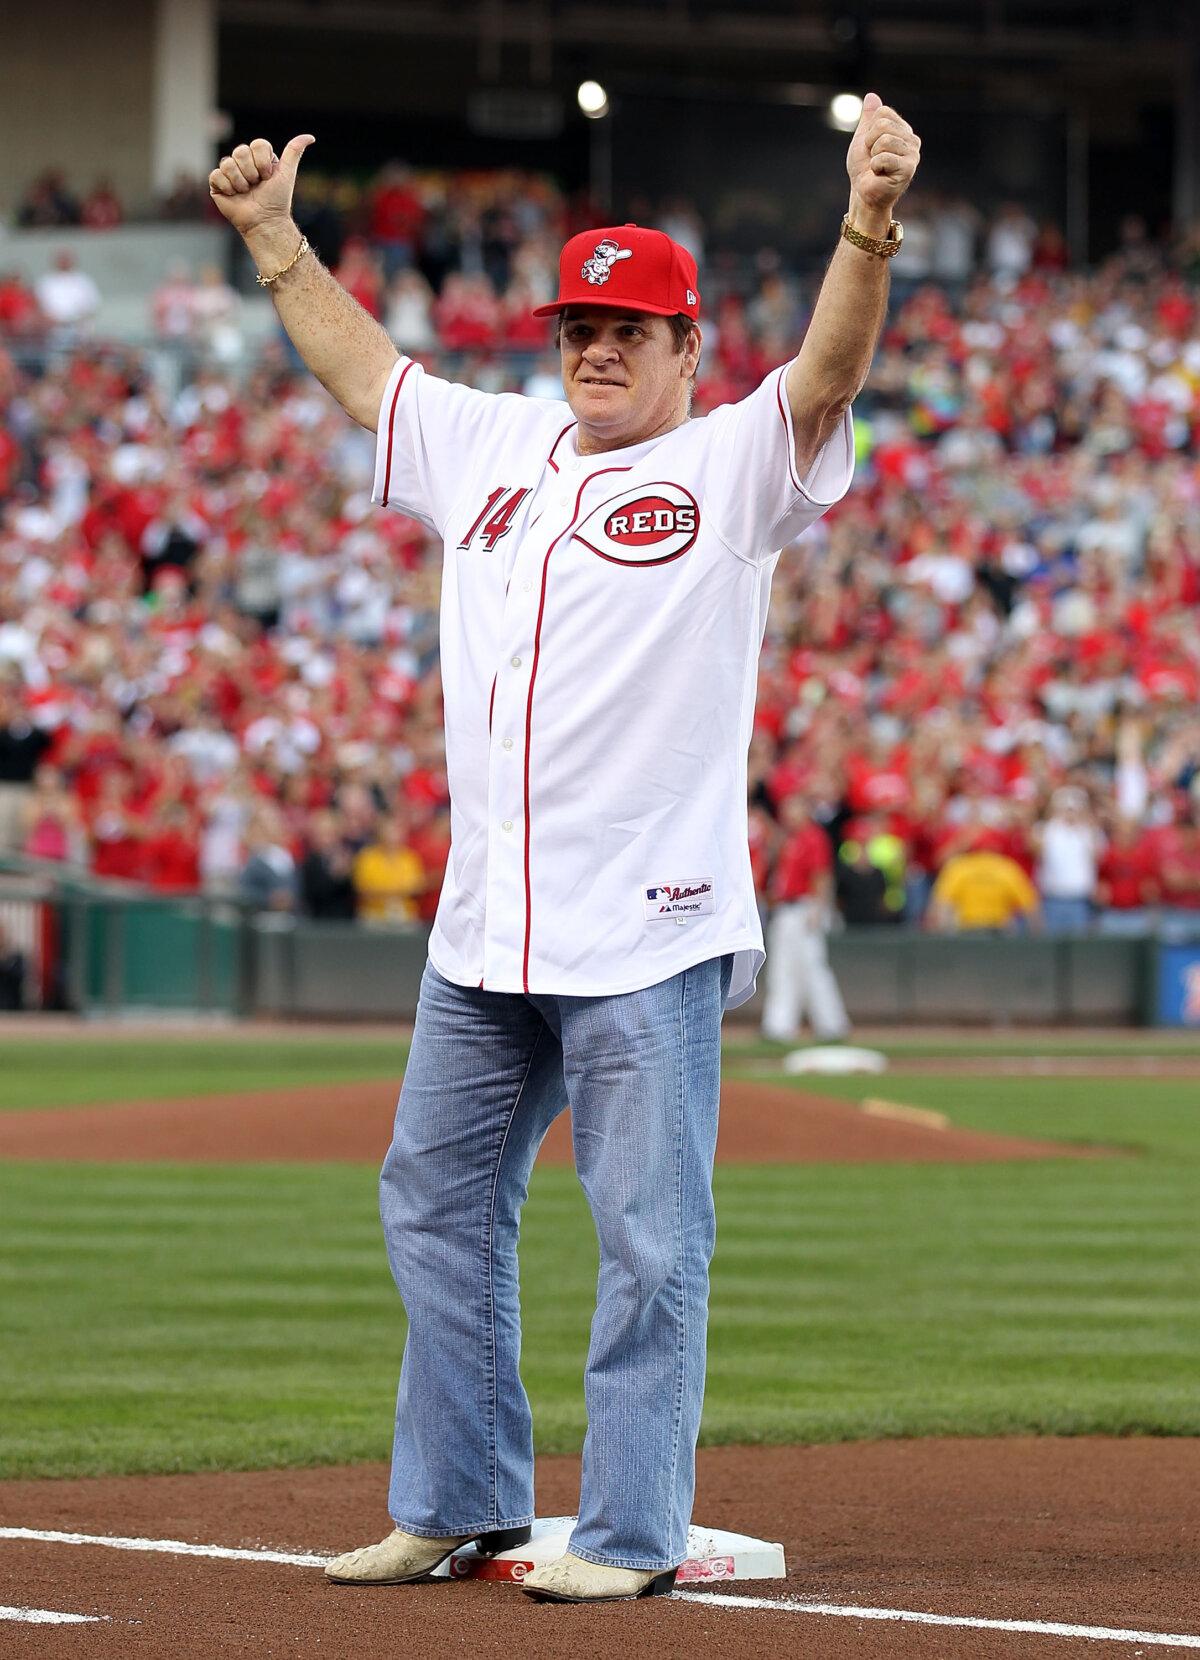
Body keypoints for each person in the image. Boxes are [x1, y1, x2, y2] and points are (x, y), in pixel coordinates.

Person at [208, 92, 919, 1604]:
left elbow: (834, 366)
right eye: (577, 324)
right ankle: (459, 1500)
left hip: (648, 929)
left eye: (628, 327)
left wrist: (864, 224)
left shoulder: (731, 468)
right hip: (484, 933)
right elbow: (364, 373)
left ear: (685, 348)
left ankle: (633, 1534)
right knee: (435, 1201)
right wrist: (275, 240)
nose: (596, 347)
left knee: (651, 1243)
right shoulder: (492, 447)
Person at [759, 796, 849, 1044]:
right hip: (785, 910)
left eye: (794, 808)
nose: (789, 814)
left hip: (804, 908)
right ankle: (779, 1025)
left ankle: (831, 1024)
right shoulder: (788, 838)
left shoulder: (813, 836)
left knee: (812, 967)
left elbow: (822, 874)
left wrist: (819, 909)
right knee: (781, 969)